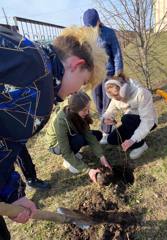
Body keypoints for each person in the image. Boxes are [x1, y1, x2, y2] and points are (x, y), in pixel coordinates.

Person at [0, 25, 107, 239]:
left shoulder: (23, 48)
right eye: (83, 83)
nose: (77, 91)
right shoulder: (40, 89)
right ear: (76, 65)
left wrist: (12, 194)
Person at [83, 8, 123, 144]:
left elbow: (117, 53)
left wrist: (118, 73)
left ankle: (106, 131)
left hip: (109, 74)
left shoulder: (109, 33)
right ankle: (107, 124)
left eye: (93, 26)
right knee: (98, 102)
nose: (91, 29)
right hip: (95, 76)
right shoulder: (86, 36)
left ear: (98, 21)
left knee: (107, 104)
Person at [46, 91, 112, 175]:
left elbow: (89, 135)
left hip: (71, 134)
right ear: (75, 111)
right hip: (55, 145)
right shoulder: (60, 122)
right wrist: (87, 170)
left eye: (88, 109)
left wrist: (101, 157)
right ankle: (69, 161)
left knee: (97, 135)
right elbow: (65, 150)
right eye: (85, 110)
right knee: (78, 139)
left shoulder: (80, 113)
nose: (88, 112)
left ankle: (74, 153)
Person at [103, 73, 158, 159]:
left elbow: (147, 121)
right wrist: (107, 117)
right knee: (111, 139)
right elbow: (110, 109)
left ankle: (141, 145)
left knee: (126, 118)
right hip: (129, 122)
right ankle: (133, 137)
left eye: (117, 95)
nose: (116, 99)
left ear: (124, 88)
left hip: (149, 122)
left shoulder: (141, 93)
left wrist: (133, 140)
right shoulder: (115, 95)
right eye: (112, 96)